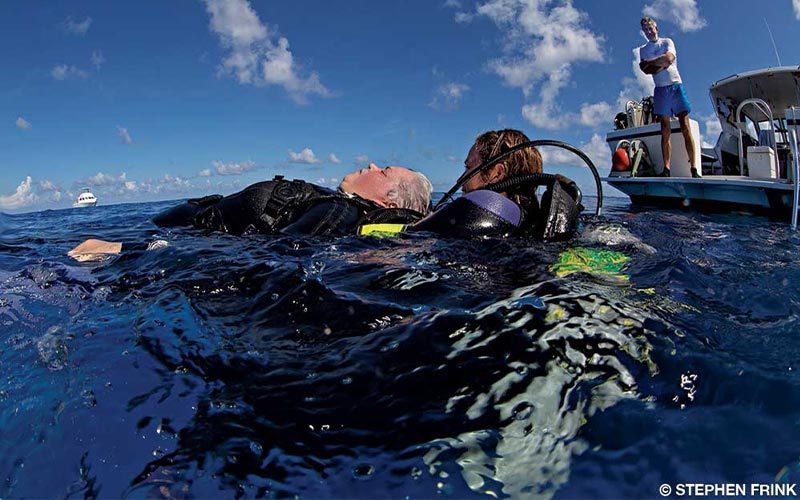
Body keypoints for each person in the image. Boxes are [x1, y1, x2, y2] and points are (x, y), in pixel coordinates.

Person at [68, 164, 432, 260]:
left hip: (157, 245)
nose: (370, 164)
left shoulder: (339, 212)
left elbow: (290, 252)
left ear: (388, 203)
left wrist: (121, 251)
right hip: (172, 232)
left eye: (383, 171)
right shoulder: (333, 206)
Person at [409, 129, 582, 240]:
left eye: (468, 167)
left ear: (496, 174)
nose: (459, 179)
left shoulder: (485, 204)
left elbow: (410, 235)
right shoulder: (527, 218)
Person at [638, 16, 698, 178]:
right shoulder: (643, 50)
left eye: (651, 28)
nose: (649, 32)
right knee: (665, 131)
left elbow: (669, 59)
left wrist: (653, 62)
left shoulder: (667, 42)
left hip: (676, 86)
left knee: (685, 127)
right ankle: (666, 169)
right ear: (643, 32)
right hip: (660, 90)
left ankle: (693, 168)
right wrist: (660, 63)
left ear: (656, 28)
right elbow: (645, 69)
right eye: (645, 30)